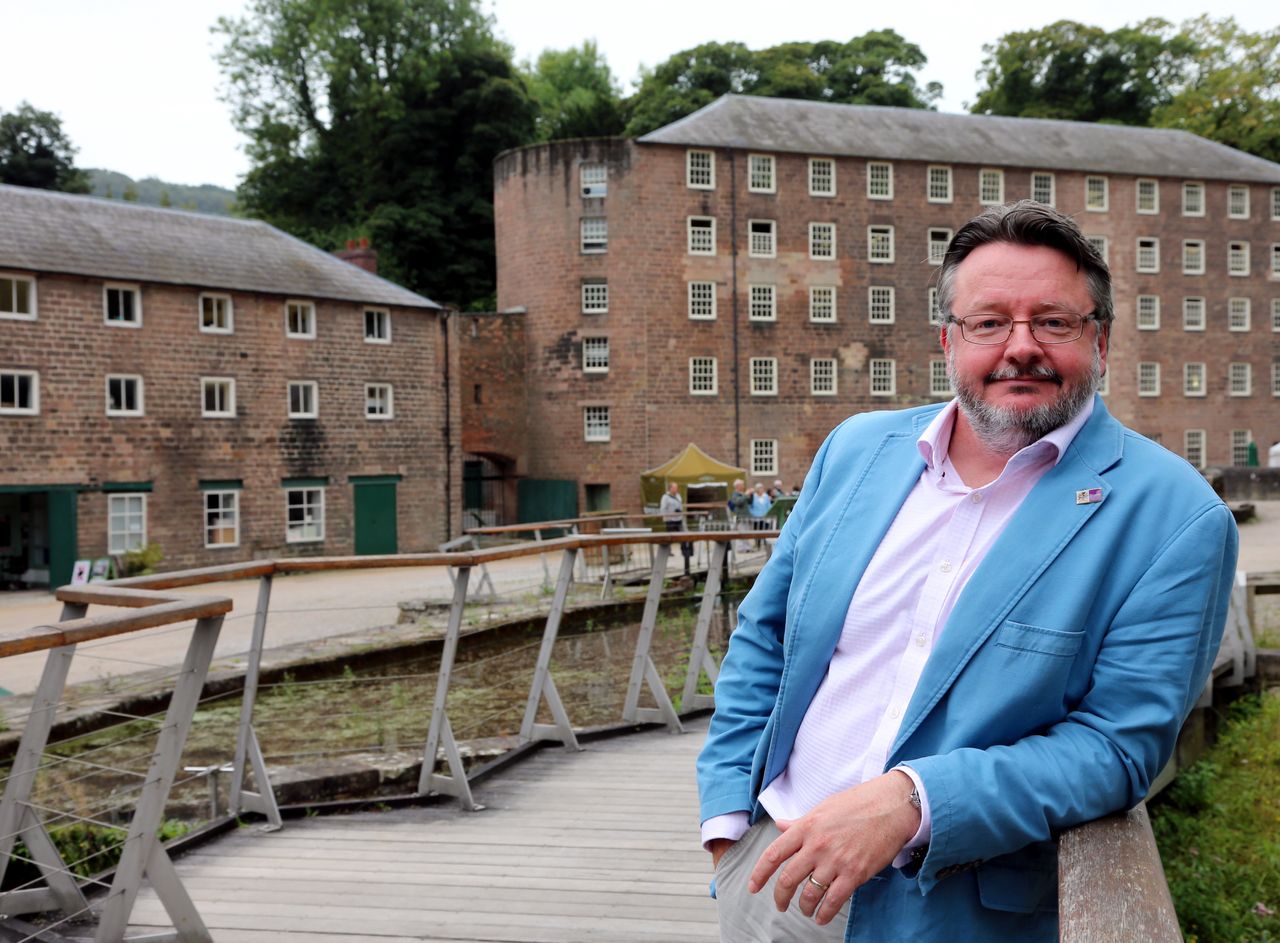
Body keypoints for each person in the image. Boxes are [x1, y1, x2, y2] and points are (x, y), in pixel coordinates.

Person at [697, 201, 1237, 942]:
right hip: (773, 874)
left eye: (1054, 321)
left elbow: (1116, 747)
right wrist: (728, 818)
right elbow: (766, 634)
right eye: (989, 323)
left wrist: (914, 799)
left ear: (1101, 340)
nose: (1021, 347)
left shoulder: (1174, 517)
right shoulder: (855, 449)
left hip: (946, 909)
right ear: (949, 340)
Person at [659, 481, 692, 575]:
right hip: (670, 519)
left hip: (678, 519)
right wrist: (669, 514)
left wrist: (679, 511)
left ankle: (684, 550)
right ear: (670, 488)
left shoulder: (678, 496)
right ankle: (667, 551)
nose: (676, 489)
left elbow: (680, 505)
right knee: (669, 536)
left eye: (676, 487)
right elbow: (663, 508)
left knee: (682, 535)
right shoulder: (665, 497)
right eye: (674, 487)